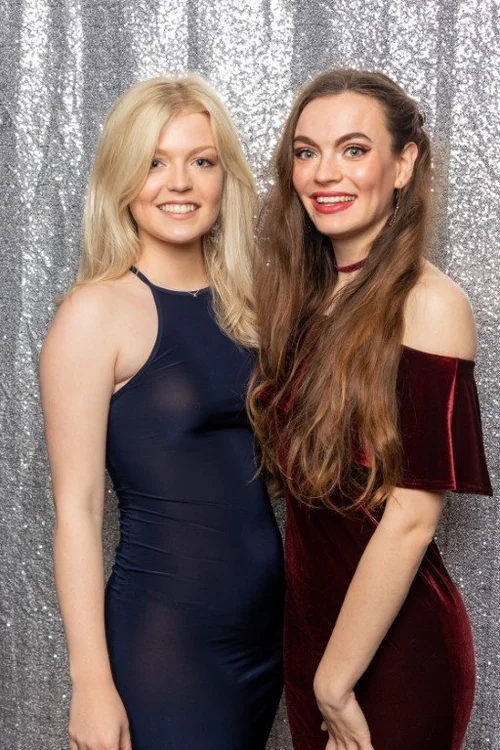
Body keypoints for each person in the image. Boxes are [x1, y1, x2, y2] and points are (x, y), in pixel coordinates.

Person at [248, 68, 492, 750]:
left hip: (391, 652)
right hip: (315, 640)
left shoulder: (429, 304)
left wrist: (335, 680)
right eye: (307, 151)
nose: (325, 173)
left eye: (353, 149)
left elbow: (411, 518)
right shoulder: (305, 297)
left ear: (404, 164)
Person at [39, 74, 284, 750]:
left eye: (201, 161)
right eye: (154, 161)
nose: (179, 183)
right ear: (123, 178)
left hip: (265, 641)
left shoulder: (253, 306)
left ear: (224, 177)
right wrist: (91, 683)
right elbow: (78, 511)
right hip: (166, 645)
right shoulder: (94, 313)